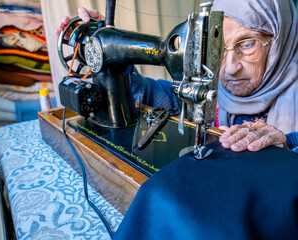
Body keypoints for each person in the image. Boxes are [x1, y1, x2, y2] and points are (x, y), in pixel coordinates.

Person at [56, 0, 298, 154]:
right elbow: (153, 95)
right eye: (219, 46)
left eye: (247, 45)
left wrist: (289, 142)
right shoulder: (214, 85)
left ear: (280, 43)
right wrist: (103, 51)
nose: (230, 68)